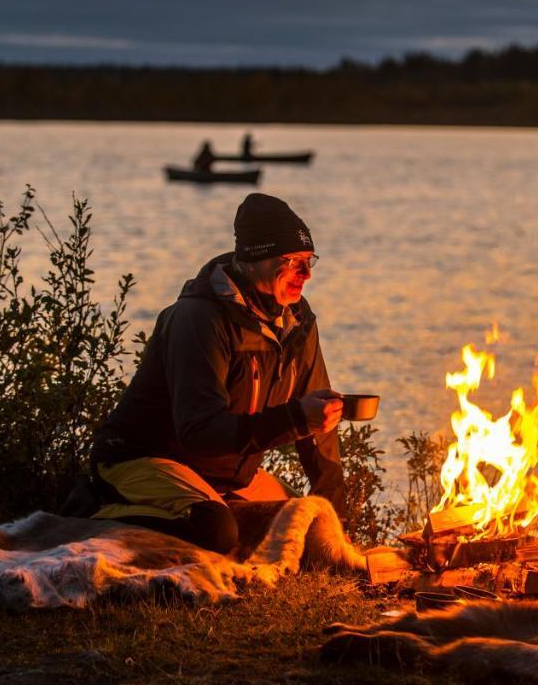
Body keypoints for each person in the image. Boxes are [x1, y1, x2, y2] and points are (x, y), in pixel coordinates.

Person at [89, 193, 346, 554]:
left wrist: (332, 505)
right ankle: (97, 514)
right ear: (255, 257)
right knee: (215, 532)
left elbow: (318, 425)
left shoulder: (297, 322)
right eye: (292, 261)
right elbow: (199, 432)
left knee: (310, 531)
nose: (306, 274)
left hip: (227, 478)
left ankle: (221, 507)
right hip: (149, 459)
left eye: (309, 261)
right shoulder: (199, 319)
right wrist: (295, 419)